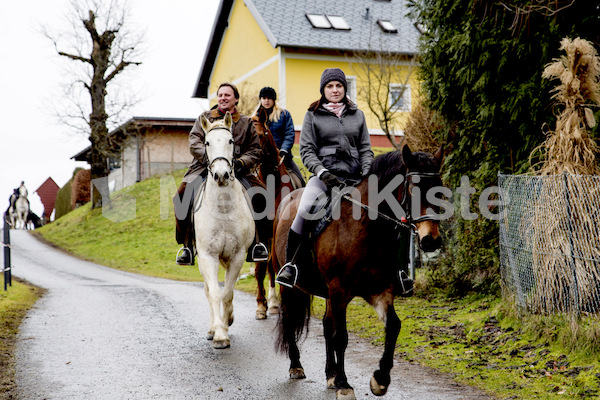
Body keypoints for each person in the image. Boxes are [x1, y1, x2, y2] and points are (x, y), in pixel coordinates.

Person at [275, 68, 374, 288]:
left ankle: (396, 270)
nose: (335, 90)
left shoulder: (358, 115)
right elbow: (307, 150)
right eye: (330, 86)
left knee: (385, 209)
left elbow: (366, 149)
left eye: (339, 85)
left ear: (344, 88)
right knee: (304, 208)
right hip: (323, 178)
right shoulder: (313, 114)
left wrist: (367, 174)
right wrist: (322, 172)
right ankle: (290, 265)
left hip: (355, 178)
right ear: (323, 90)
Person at [173, 82, 269, 265]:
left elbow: (255, 150)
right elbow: (194, 143)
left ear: (236, 99)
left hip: (239, 169)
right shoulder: (204, 118)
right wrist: (212, 161)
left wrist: (240, 162)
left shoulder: (247, 122)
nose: (223, 98)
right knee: (181, 195)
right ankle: (186, 245)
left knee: (262, 195)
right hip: (205, 167)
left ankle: (260, 243)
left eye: (228, 95)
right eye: (221, 95)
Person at [253, 87, 305, 185]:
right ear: (261, 99)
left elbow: (289, 134)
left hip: (283, 157)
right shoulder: (254, 118)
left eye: (269, 98)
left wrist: (284, 150)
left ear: (274, 100)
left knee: (301, 181)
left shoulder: (284, 115)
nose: (267, 101)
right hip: (261, 160)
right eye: (264, 98)